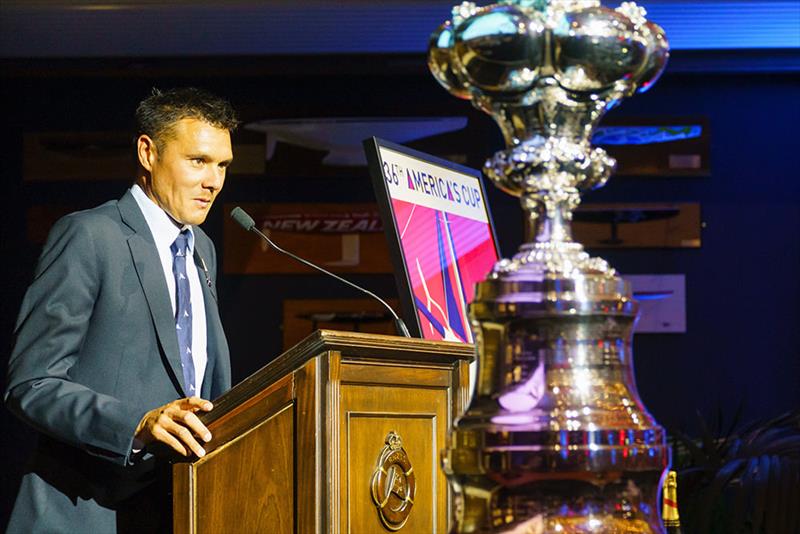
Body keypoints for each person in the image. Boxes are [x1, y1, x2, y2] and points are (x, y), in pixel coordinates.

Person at [4, 87, 237, 533]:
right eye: (198, 161)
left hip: (177, 510)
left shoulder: (201, 249)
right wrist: (136, 425)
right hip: (87, 513)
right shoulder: (89, 236)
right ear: (148, 153)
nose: (214, 181)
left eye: (222, 165)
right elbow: (31, 383)